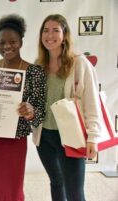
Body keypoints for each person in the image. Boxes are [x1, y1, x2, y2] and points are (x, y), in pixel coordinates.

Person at [34, 14, 101, 201]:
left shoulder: (79, 63)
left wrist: (93, 137)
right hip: (44, 136)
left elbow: (91, 102)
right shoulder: (38, 65)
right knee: (56, 182)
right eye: (46, 30)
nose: (50, 35)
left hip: (71, 137)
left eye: (56, 30)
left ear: (65, 34)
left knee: (74, 191)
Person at [0, 14, 46, 201]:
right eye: (2, 42)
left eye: (12, 42)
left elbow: (40, 113)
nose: (7, 47)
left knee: (14, 189)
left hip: (15, 140)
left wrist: (30, 111)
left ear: (20, 42)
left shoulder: (34, 72)